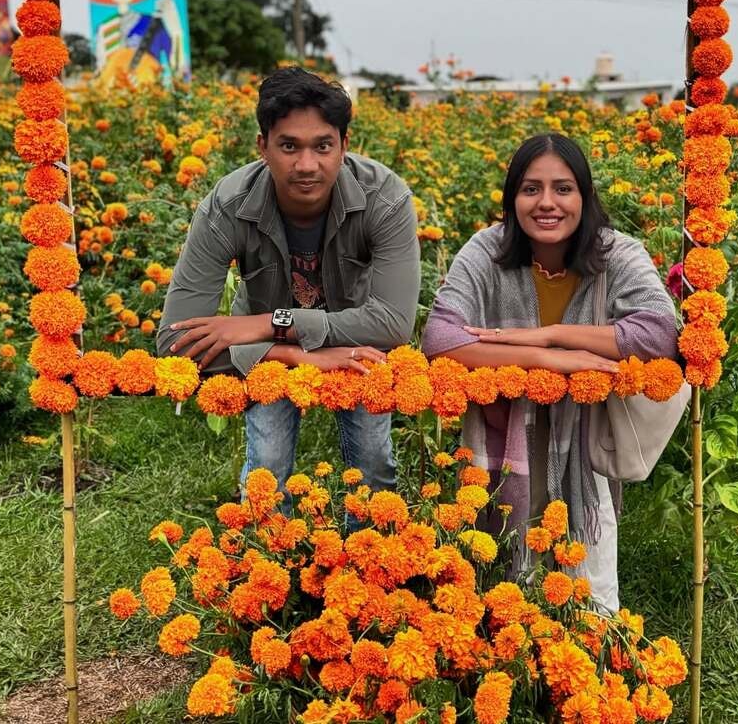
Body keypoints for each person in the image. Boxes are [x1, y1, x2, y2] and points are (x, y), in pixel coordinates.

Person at [421, 133, 679, 610]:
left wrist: (550, 334)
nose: (547, 203)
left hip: (584, 440)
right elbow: (440, 339)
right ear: (512, 197)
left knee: (588, 584)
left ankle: (589, 656)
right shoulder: (488, 251)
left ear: (584, 195)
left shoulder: (615, 254)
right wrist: (544, 359)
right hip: (502, 437)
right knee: (502, 573)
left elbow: (660, 334)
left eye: (563, 188)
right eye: (530, 189)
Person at [158, 66, 420, 498]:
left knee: (373, 462)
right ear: (262, 147)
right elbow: (174, 342)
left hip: (354, 341)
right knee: (268, 464)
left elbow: (392, 323)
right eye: (288, 146)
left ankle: (371, 558)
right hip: (270, 353)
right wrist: (294, 354)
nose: (306, 165)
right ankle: (266, 558)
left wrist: (268, 323)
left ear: (344, 146)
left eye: (322, 146)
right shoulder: (227, 205)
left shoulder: (385, 198)